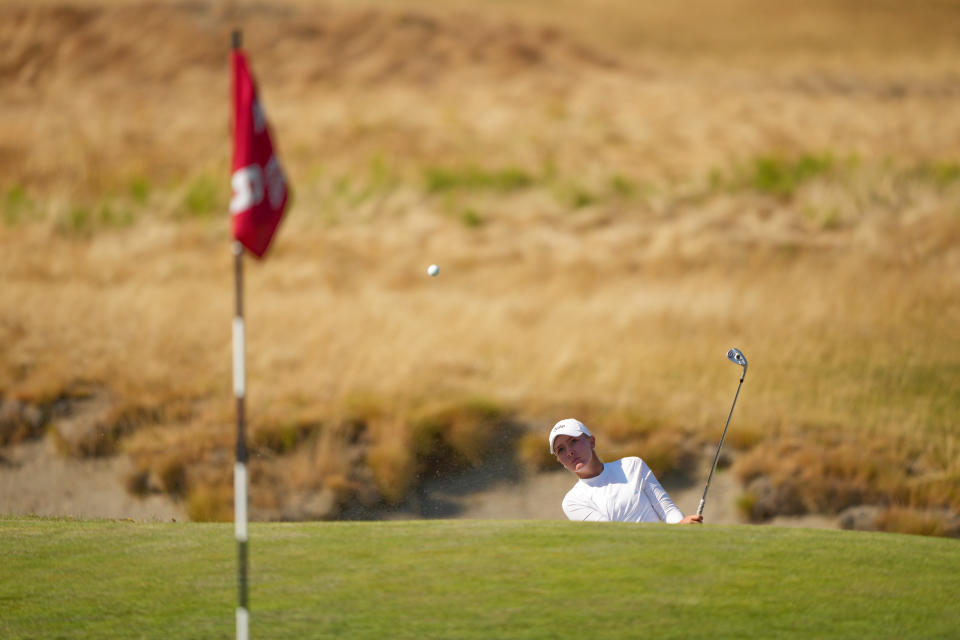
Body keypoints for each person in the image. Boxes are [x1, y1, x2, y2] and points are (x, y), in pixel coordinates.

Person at [549, 418, 702, 524]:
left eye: (574, 441)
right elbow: (611, 536)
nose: (569, 452)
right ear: (559, 460)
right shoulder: (573, 501)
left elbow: (667, 510)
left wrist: (682, 527)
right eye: (560, 450)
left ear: (592, 441)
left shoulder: (632, 466)